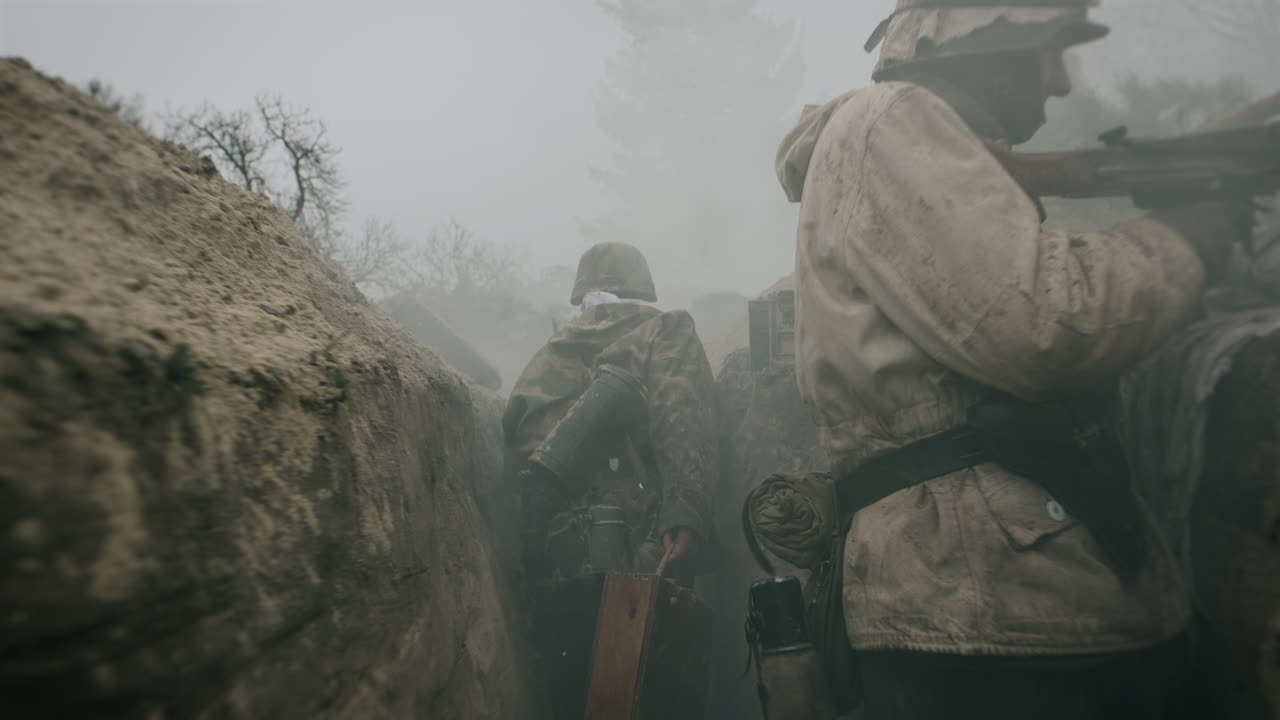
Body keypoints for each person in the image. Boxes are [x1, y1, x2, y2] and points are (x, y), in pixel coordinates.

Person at [774, 1, 1253, 718]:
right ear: (991, 43)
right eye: (1050, 51)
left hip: (999, 594)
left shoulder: (903, 135)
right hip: (986, 603)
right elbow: (1043, 326)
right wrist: (1186, 240)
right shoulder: (897, 121)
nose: (1061, 84)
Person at [502, 241, 720, 716]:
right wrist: (686, 511)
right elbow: (683, 419)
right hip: (640, 562)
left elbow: (519, 461)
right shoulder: (664, 331)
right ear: (643, 288)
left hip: (557, 572)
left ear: (582, 295)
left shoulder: (541, 360)